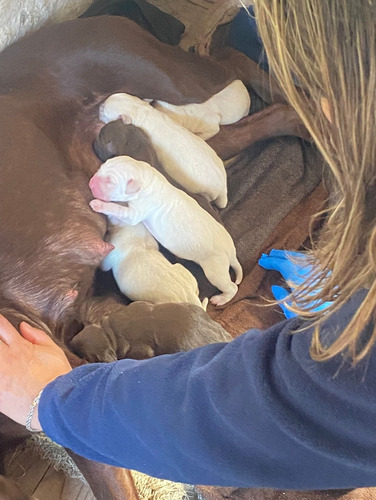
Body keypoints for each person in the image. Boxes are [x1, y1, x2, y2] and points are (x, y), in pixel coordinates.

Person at [1, 0, 376, 490]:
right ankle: (274, 116)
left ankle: (243, 74)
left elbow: (301, 405)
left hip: (50, 80)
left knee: (198, 87)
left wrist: (46, 403)